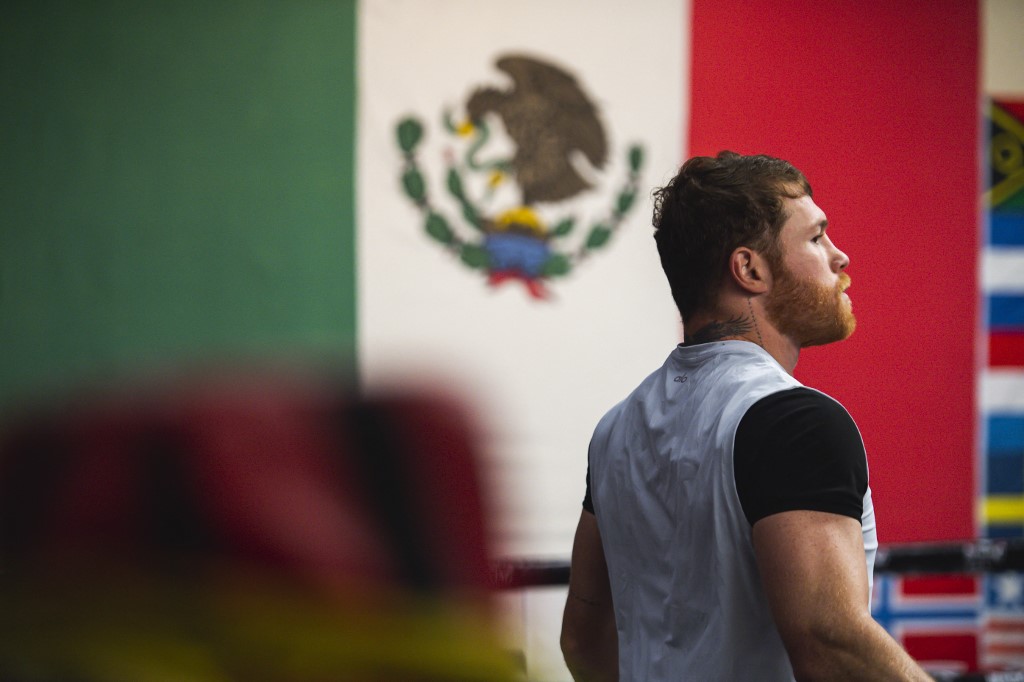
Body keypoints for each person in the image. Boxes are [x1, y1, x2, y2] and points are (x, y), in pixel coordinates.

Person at [559, 151, 932, 681]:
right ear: (749, 269)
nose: (840, 256)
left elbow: (581, 637)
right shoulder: (795, 421)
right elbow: (831, 641)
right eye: (816, 237)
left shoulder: (616, 428)